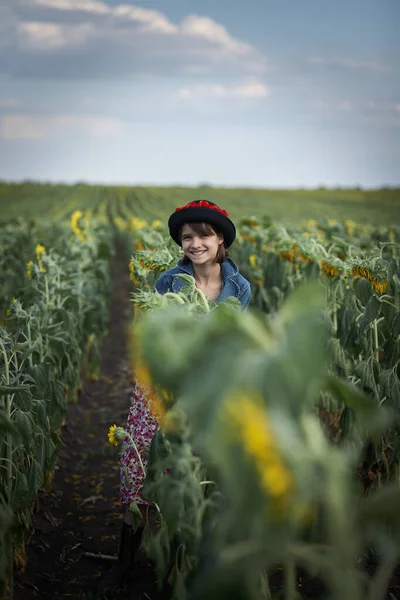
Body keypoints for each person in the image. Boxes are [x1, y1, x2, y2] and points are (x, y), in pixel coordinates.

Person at [98, 200, 251, 594]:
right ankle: (125, 561)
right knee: (140, 465)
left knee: (194, 472)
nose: (195, 243)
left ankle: (180, 562)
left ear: (220, 239)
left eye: (204, 235)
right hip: (162, 386)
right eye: (187, 237)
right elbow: (155, 334)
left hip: (206, 390)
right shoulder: (168, 281)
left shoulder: (240, 288)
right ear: (180, 242)